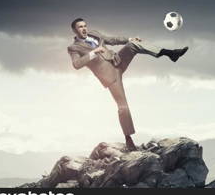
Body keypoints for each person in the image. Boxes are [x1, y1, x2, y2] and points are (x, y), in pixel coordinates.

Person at [67, 18, 188, 151]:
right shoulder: (74, 48)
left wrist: (129, 39)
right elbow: (76, 64)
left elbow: (112, 40)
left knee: (133, 44)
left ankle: (169, 53)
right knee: (123, 107)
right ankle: (128, 138)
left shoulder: (94, 34)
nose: (84, 29)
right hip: (111, 76)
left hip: (118, 60)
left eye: (85, 26)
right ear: (74, 30)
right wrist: (93, 53)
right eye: (80, 27)